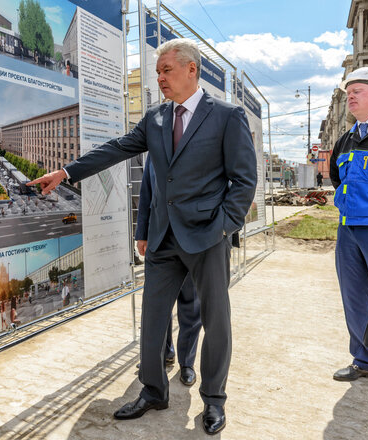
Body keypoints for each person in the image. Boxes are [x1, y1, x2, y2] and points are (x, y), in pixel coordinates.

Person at [28, 38, 257, 435]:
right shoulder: (155, 118)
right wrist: (66, 173)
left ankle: (214, 400)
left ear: (191, 70)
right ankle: (153, 390)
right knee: (152, 319)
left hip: (207, 237)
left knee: (216, 322)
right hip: (163, 238)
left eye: (166, 70)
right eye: (158, 72)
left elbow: (244, 180)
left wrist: (223, 226)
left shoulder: (226, 116)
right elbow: (117, 148)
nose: (160, 79)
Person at [136, 155, 202, 382]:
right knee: (157, 307)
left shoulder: (199, 139)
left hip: (193, 239)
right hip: (160, 239)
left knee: (190, 305)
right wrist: (142, 233)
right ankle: (162, 354)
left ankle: (187, 363)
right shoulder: (155, 146)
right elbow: (146, 191)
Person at [329, 67, 368, 382]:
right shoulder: (346, 139)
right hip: (349, 229)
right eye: (348, 93)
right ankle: (365, 360)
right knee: (354, 296)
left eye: (357, 90)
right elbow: (335, 176)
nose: (351, 97)